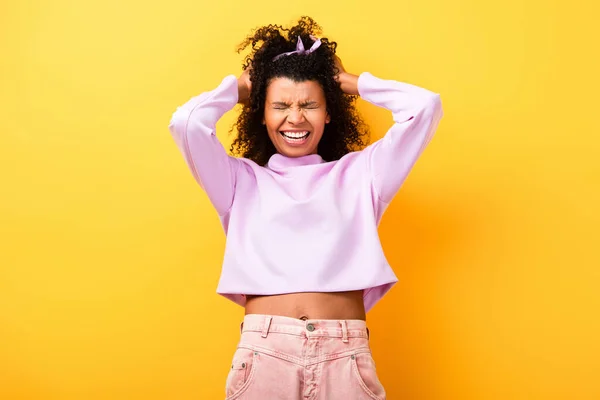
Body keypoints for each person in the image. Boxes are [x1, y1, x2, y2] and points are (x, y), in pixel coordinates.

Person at [168, 16, 443, 400]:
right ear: (260, 114)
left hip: (344, 354)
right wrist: (243, 87)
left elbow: (425, 107)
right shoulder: (237, 181)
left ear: (328, 112)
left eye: (310, 105)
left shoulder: (363, 174)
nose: (295, 118)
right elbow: (187, 122)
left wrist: (348, 82)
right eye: (279, 105)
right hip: (265, 353)